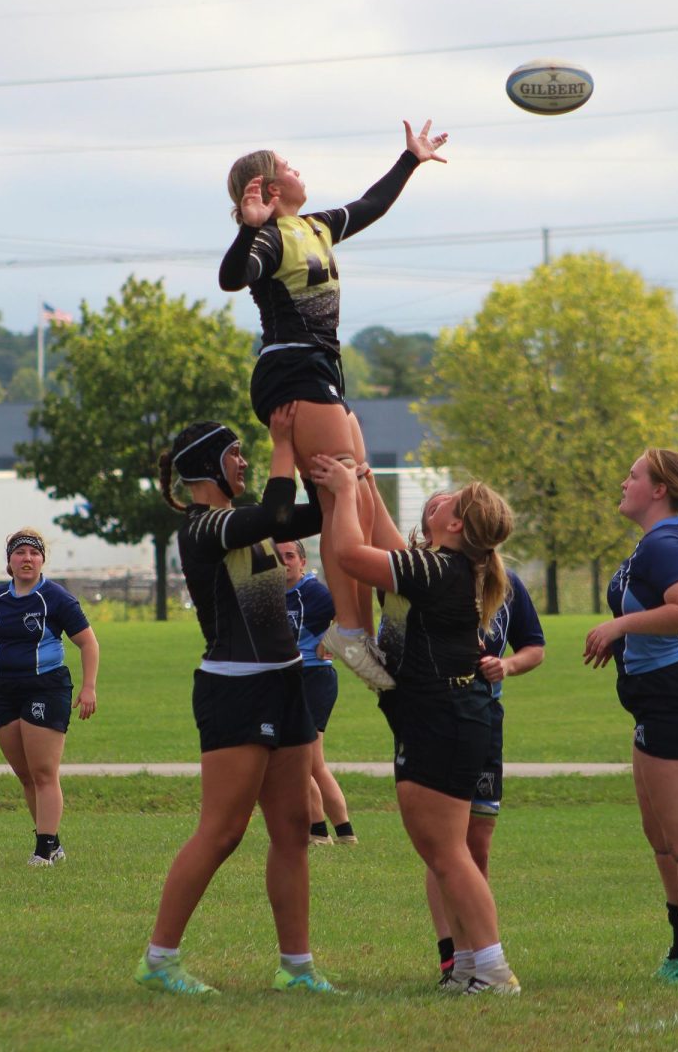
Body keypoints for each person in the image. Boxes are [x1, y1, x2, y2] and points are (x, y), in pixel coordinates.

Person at [220, 120, 448, 694]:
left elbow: (371, 205)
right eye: (286, 164)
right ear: (268, 189)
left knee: (359, 492)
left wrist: (409, 159)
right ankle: (350, 628)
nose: (298, 168)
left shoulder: (314, 225)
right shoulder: (271, 237)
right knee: (341, 489)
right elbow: (231, 277)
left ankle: (403, 596)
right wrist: (248, 231)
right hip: (292, 371)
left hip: (320, 374)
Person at [135, 404, 340, 997]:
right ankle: (158, 960)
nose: (244, 460)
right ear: (206, 468)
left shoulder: (243, 519)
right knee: (222, 832)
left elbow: (310, 514)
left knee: (293, 831)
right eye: (234, 454)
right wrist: (282, 441)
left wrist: (340, 478)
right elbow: (277, 512)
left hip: (287, 679)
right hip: (235, 688)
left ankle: (296, 968)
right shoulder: (204, 526)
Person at [311, 455, 522, 995]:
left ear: (455, 524)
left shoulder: (437, 570)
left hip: (442, 718)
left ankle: (494, 971)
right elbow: (382, 540)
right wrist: (364, 486)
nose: (442, 497)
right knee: (443, 849)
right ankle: (474, 965)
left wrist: (339, 492)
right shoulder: (437, 563)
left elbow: (349, 554)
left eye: (452, 499)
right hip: (440, 715)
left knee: (447, 851)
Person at [584, 449, 678, 984]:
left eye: (633, 475)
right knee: (661, 836)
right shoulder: (665, 541)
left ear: (657, 489)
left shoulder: (666, 540)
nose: (623, 481)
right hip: (662, 699)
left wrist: (620, 630)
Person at [418, 491, 544, 978]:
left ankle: (475, 954)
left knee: (477, 845)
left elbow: (534, 646)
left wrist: (506, 664)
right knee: (442, 844)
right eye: (437, 505)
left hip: (485, 721)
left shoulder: (506, 583)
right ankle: (456, 955)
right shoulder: (422, 573)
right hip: (434, 718)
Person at [0, 527, 99, 867]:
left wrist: (88, 687)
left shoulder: (55, 597)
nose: (27, 559)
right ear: (9, 561)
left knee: (43, 772)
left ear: (42, 560)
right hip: (6, 691)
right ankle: (52, 840)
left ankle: (43, 851)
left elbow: (88, 643)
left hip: (46, 687)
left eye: (33, 553)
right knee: (25, 774)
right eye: (20, 553)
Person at [275, 539, 358, 847]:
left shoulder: (312, 592)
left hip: (314, 678)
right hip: (288, 680)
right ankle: (346, 832)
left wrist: (332, 639)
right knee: (313, 763)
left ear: (301, 561)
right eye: (278, 556)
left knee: (298, 759)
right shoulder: (270, 594)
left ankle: (318, 832)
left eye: (289, 556)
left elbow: (351, 611)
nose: (284, 561)